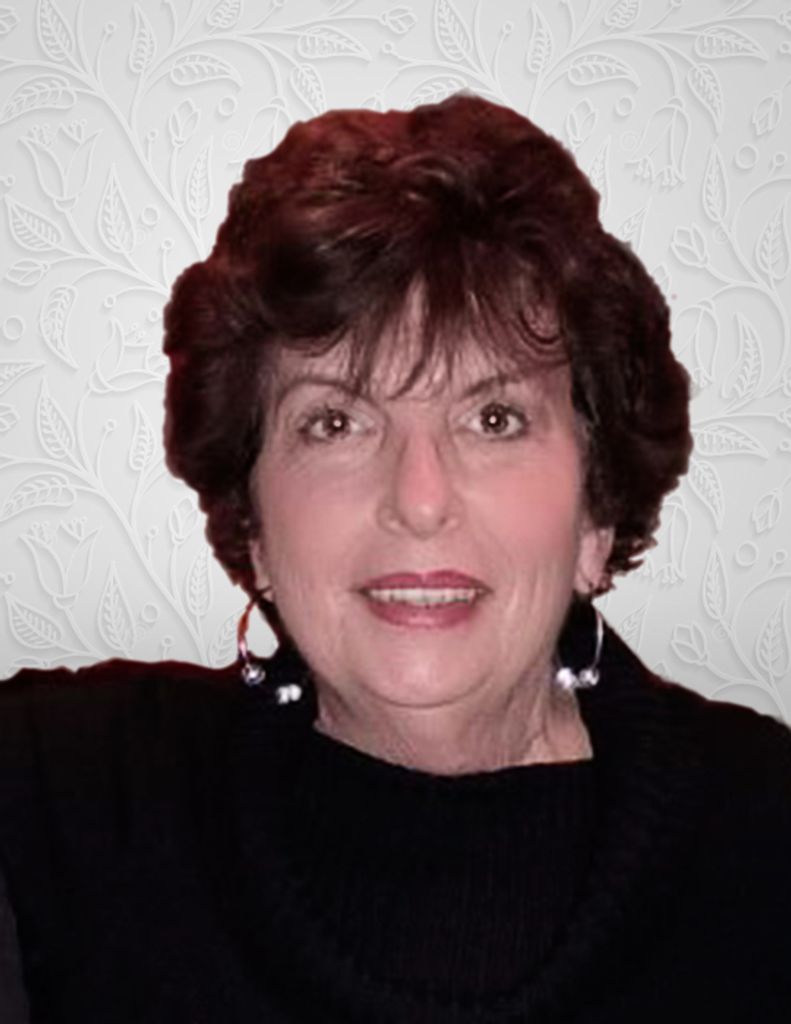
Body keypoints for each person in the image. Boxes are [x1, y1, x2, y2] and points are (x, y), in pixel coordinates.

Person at [1, 92, 790, 1024]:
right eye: (335, 421)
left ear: (595, 513)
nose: (418, 499)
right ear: (253, 524)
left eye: (492, 418)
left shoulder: (766, 836)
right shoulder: (60, 805)